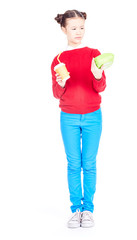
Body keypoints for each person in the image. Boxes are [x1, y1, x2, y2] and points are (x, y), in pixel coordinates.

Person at [51, 9, 107, 228]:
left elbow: (100, 87)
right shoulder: (59, 59)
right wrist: (62, 83)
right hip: (69, 118)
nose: (78, 32)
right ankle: (76, 209)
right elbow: (56, 93)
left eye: (81, 27)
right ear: (64, 29)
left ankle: (88, 210)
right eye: (73, 28)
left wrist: (98, 74)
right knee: (74, 164)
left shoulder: (94, 53)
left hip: (93, 116)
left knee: (89, 163)